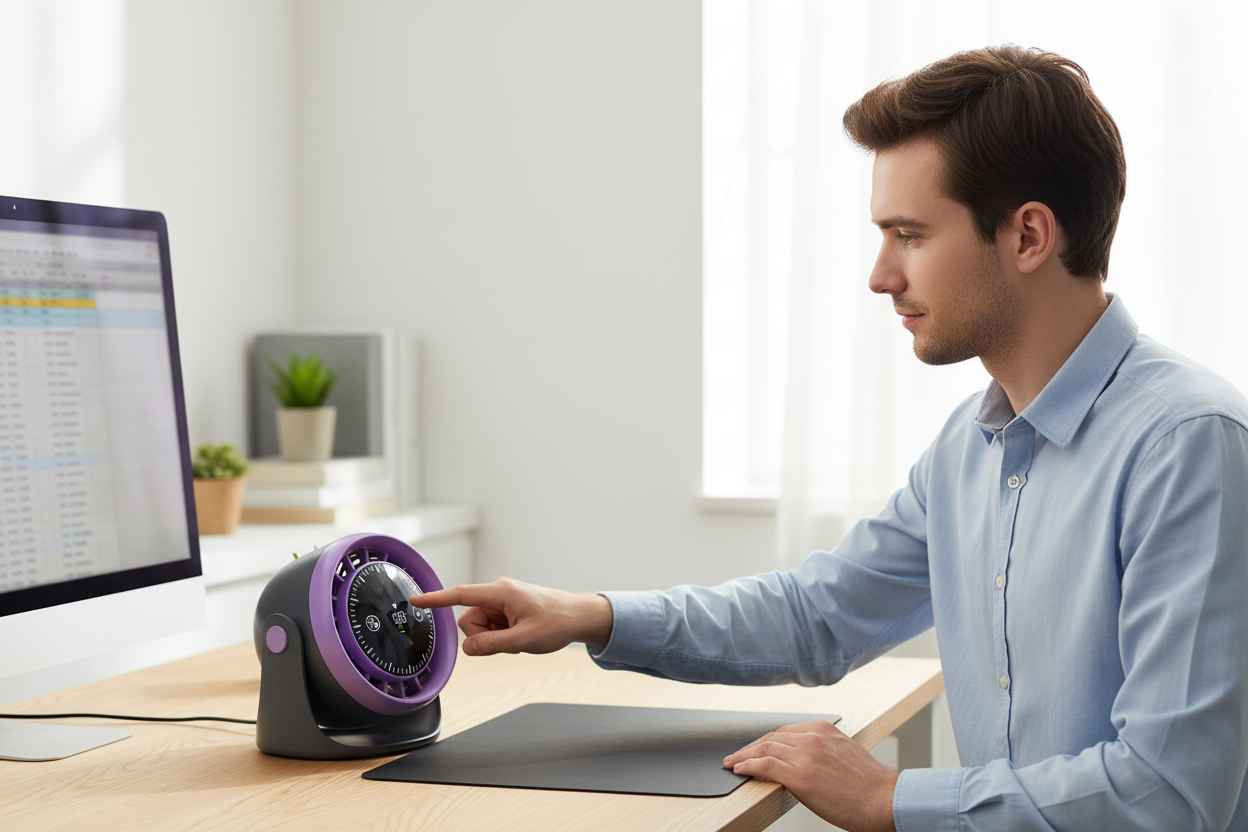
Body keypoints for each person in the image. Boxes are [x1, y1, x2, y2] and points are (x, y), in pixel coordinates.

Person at [416, 45, 1248, 832]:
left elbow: (1169, 791)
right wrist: (592, 616)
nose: (882, 274)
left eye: (910, 235)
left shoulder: (1188, 446)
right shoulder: (970, 447)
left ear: (1029, 236)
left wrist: (890, 798)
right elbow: (818, 615)